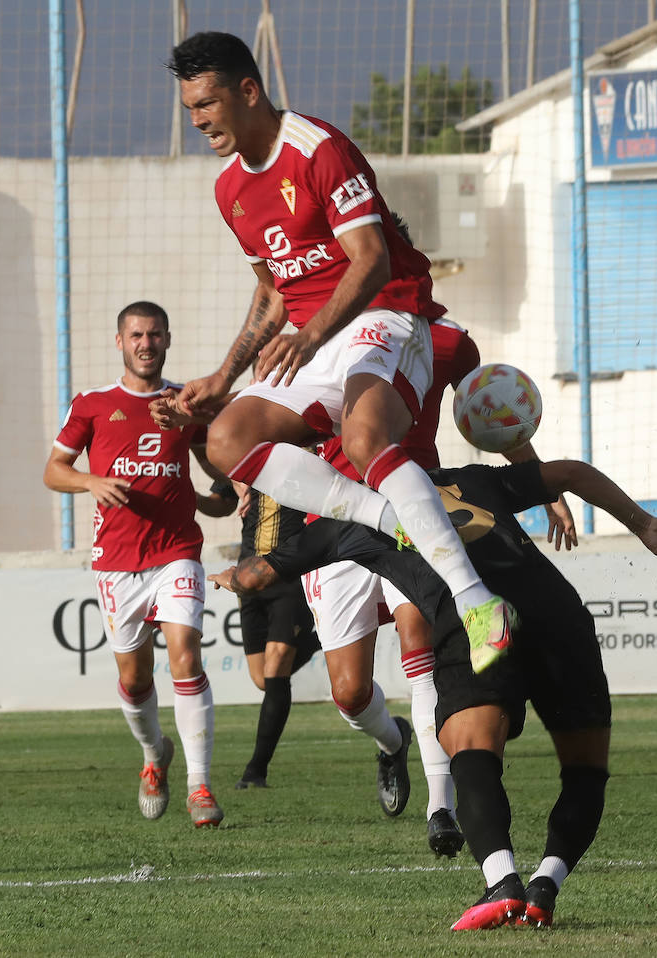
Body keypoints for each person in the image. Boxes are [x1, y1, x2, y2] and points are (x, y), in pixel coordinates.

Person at [208, 457, 657, 930]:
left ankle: (503, 882)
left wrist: (233, 577)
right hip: (557, 611)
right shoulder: (473, 477)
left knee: (471, 753)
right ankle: (545, 885)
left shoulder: (352, 518)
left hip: (477, 620)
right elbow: (572, 472)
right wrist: (643, 524)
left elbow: (256, 576)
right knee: (585, 772)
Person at [164, 31, 517, 675]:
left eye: (207, 103)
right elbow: (274, 289)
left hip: (385, 312)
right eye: (190, 108)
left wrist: (308, 336)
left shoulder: (318, 148)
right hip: (315, 335)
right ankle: (389, 518)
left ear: (249, 91)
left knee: (363, 440)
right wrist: (222, 376)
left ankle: (478, 603)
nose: (198, 121)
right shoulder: (229, 189)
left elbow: (372, 260)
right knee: (226, 438)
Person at [43, 301, 236, 827]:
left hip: (177, 551)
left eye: (154, 335)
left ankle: (200, 787)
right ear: (120, 342)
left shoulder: (186, 403)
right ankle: (154, 755)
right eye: (136, 335)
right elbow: (54, 470)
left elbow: (217, 472)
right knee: (134, 680)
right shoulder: (92, 405)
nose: (145, 344)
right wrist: (90, 481)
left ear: (167, 339)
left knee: (186, 655)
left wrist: (222, 497)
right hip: (117, 561)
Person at [227, 479, 322, 790]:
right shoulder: (244, 461)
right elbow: (218, 498)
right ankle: (325, 636)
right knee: (262, 679)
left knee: (276, 664)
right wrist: (212, 491)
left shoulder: (301, 460)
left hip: (289, 574)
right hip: (248, 575)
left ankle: (256, 770)